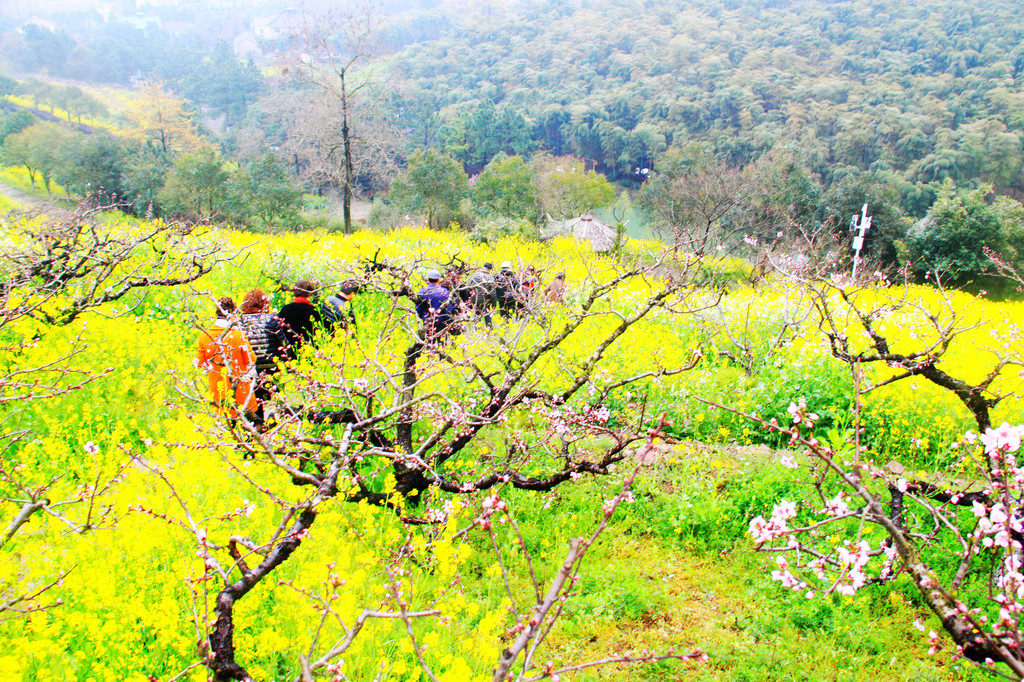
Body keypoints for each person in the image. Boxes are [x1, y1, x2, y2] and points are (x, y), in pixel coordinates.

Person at [196, 297, 258, 420]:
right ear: (233, 313)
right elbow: (251, 359)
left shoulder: (204, 335)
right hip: (240, 392)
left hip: (218, 391)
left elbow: (199, 363)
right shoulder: (237, 334)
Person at [272, 280, 323, 359]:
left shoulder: (285, 309)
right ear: (309, 294)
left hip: (290, 352)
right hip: (311, 352)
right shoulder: (314, 310)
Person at [416, 269, 456, 340]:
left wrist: (423, 317)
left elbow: (418, 308)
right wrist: (448, 320)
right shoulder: (444, 291)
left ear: (428, 279)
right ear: (438, 280)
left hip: (427, 321)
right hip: (441, 322)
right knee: (442, 342)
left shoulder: (422, 291)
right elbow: (448, 309)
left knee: (429, 343)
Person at [466, 262, 497, 329]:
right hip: (486, 300)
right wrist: (494, 304)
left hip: (476, 300)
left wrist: (470, 300)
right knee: (487, 316)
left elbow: (468, 288)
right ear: (490, 269)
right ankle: (489, 331)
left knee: (477, 317)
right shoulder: (490, 278)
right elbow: (493, 293)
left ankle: (477, 332)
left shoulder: (474, 276)